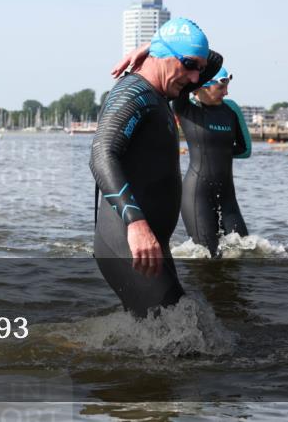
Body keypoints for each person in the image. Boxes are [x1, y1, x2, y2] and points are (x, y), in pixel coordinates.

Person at [94, 18, 222, 315]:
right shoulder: (132, 94)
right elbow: (102, 154)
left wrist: (151, 46)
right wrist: (136, 224)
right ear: (164, 57)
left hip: (150, 242)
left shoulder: (163, 91)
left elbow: (215, 61)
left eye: (199, 69)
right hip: (127, 241)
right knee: (179, 335)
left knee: (174, 330)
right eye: (189, 65)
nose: (195, 77)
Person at [174, 67, 252, 257]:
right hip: (197, 195)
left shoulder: (230, 109)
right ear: (202, 86)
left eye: (227, 86)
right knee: (206, 256)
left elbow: (245, 149)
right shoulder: (186, 108)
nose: (226, 92)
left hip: (227, 196)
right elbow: (182, 80)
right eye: (221, 87)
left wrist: (218, 152)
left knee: (245, 250)